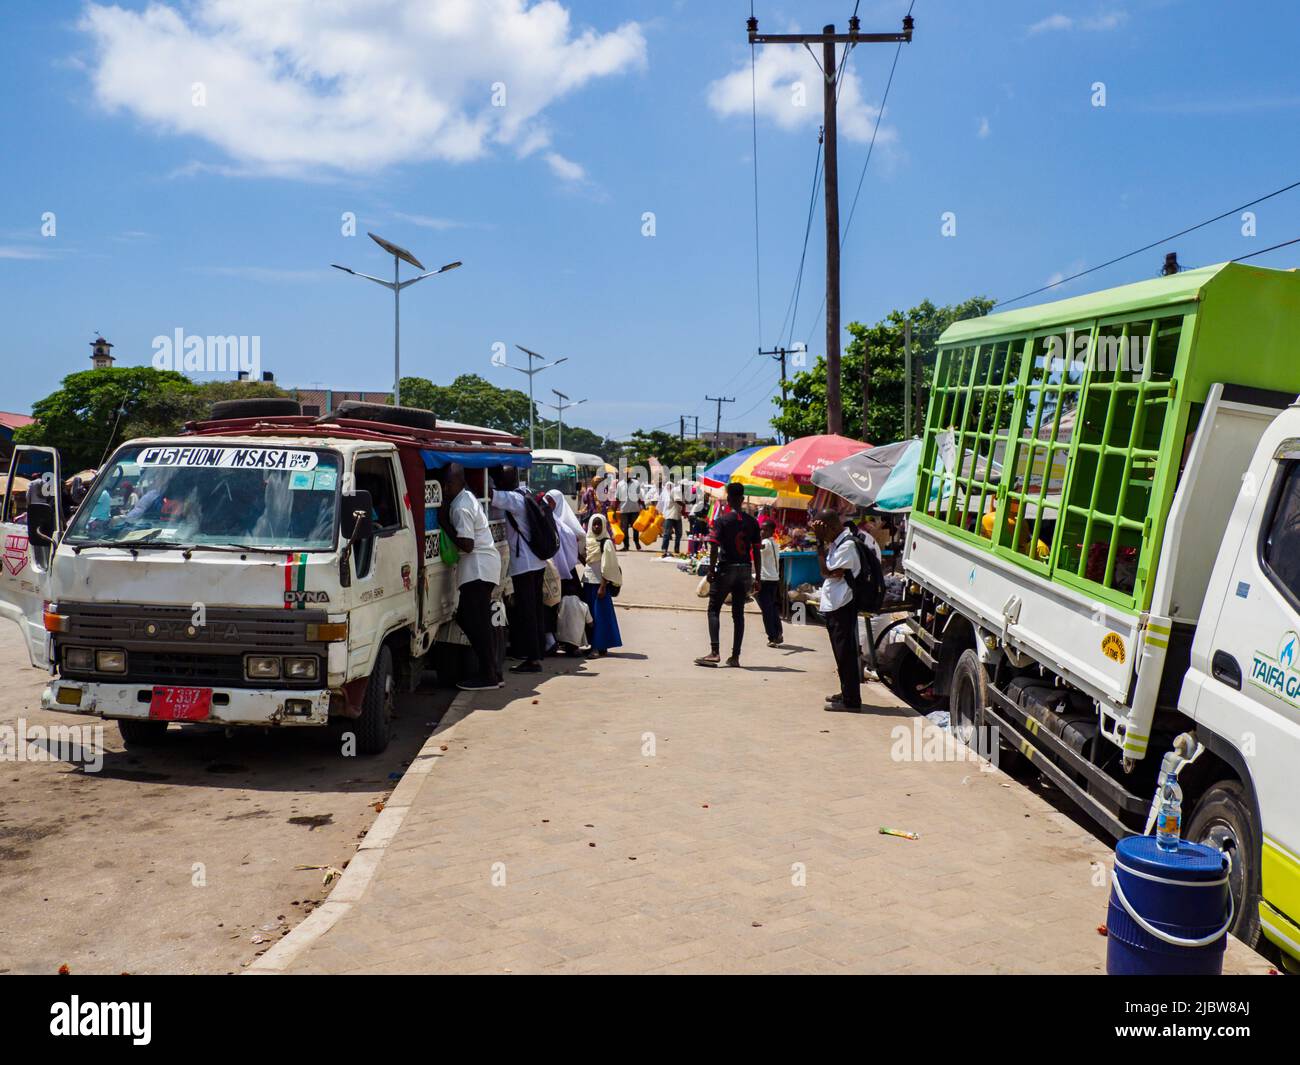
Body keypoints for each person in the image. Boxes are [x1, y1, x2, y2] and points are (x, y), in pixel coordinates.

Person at [442, 463, 503, 690]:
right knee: (475, 620)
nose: (445, 489)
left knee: (473, 621)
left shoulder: (460, 507)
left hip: (477, 568)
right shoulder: (467, 497)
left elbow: (467, 544)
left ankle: (489, 674)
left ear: (456, 482)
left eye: (447, 484)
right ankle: (493, 670)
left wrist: (444, 524)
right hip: (483, 567)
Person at [695, 482, 761, 668]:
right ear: (742, 499)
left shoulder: (722, 520)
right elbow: (756, 551)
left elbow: (714, 545)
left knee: (714, 609)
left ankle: (715, 652)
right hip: (745, 570)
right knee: (738, 614)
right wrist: (759, 578)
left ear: (729, 499)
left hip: (727, 568)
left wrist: (711, 570)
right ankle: (735, 656)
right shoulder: (752, 522)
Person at [489, 466, 546, 674]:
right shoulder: (526, 492)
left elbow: (488, 495)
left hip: (524, 564)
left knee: (527, 612)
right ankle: (538, 652)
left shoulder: (512, 499)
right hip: (537, 561)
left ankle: (532, 660)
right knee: (536, 610)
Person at [812, 509, 862, 712]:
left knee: (845, 654)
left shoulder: (848, 546)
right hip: (835, 606)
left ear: (829, 527)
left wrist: (818, 543)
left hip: (843, 605)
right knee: (840, 653)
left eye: (822, 530)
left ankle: (851, 700)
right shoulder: (838, 543)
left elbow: (826, 572)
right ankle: (846, 692)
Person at [545, 489, 587, 655]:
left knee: (571, 607)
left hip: (568, 573)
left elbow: (580, 539)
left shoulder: (566, 523)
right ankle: (554, 640)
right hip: (552, 571)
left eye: (551, 501)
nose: (548, 505)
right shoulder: (548, 520)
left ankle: (572, 641)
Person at [582, 513, 623, 656]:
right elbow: (588, 561)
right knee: (590, 616)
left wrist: (603, 586)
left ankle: (596, 648)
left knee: (599, 617)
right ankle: (599, 646)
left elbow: (608, 567)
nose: (596, 527)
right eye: (594, 524)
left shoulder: (606, 543)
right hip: (588, 582)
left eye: (599, 524)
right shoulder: (589, 540)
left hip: (599, 586)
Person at [757, 518, 784, 647]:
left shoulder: (767, 543)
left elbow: (759, 547)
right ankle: (778, 633)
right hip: (773, 579)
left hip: (766, 580)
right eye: (761, 529)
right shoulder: (775, 542)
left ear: (772, 531)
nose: (762, 532)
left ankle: (772, 636)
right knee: (772, 607)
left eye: (765, 530)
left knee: (767, 610)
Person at [659, 476, 684, 557]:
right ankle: (664, 549)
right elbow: (677, 500)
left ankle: (676, 548)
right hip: (670, 515)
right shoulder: (676, 490)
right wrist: (685, 505)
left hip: (677, 515)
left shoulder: (683, 492)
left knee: (679, 533)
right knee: (667, 533)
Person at [619, 471, 643, 551]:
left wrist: (644, 507)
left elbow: (640, 497)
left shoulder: (636, 483)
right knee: (624, 529)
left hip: (634, 509)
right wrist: (614, 509)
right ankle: (626, 545)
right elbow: (617, 498)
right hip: (624, 510)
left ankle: (636, 542)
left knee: (635, 527)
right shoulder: (620, 484)